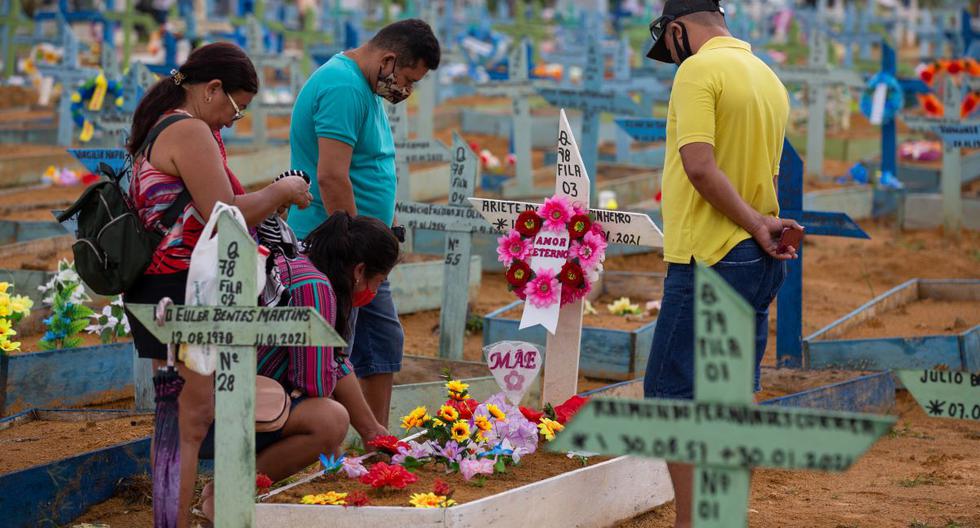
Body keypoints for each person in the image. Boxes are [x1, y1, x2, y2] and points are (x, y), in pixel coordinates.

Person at [123, 42, 312, 528]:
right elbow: (223, 214)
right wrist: (281, 191)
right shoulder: (188, 130)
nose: (234, 119)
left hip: (163, 286)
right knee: (189, 422)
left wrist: (266, 198)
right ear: (212, 90)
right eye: (237, 107)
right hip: (186, 287)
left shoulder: (166, 124)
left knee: (181, 419)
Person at [642, 1, 803, 527]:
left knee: (672, 395)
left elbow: (701, 167)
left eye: (668, 45)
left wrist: (755, 223)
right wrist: (764, 223)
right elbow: (769, 176)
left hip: (710, 254)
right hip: (757, 258)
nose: (672, 56)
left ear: (678, 29)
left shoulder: (699, 69)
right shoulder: (767, 77)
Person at [287, 18, 441, 428]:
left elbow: (369, 167)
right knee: (332, 349)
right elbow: (332, 176)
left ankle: (376, 444)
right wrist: (361, 249)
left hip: (364, 247)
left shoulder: (365, 86)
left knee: (379, 342)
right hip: (337, 249)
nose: (406, 90)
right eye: (407, 78)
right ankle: (330, 442)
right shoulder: (343, 87)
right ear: (388, 59)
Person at [197, 212, 399, 520]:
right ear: (359, 270)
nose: (373, 292)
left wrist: (372, 431)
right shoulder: (314, 288)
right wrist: (343, 438)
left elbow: (332, 360)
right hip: (215, 413)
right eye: (378, 281)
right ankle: (227, 493)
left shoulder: (303, 263)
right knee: (329, 420)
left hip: (207, 397)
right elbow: (314, 383)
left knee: (329, 416)